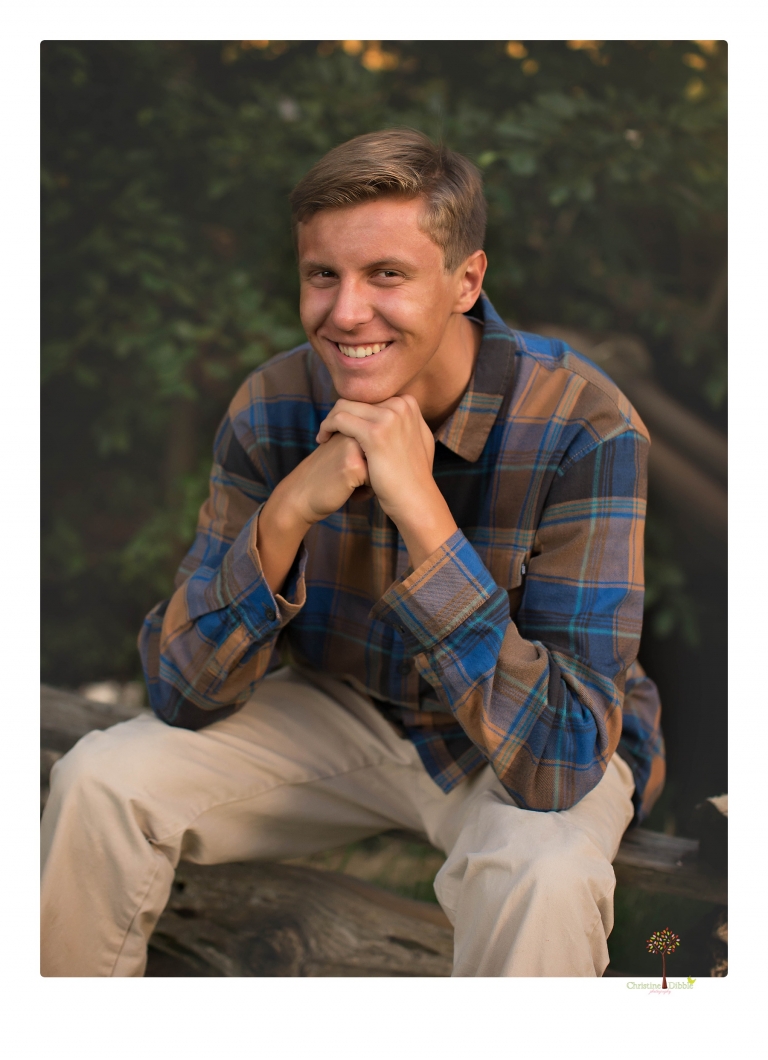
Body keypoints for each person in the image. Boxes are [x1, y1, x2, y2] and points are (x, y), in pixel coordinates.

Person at [41, 128, 664, 977]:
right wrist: (289, 511)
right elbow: (180, 689)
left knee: (544, 877)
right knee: (100, 780)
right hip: (343, 706)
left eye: (387, 275)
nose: (344, 314)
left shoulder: (583, 424)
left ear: (467, 281)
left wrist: (423, 512)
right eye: (323, 275)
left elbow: (559, 762)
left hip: (522, 737)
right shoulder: (274, 404)